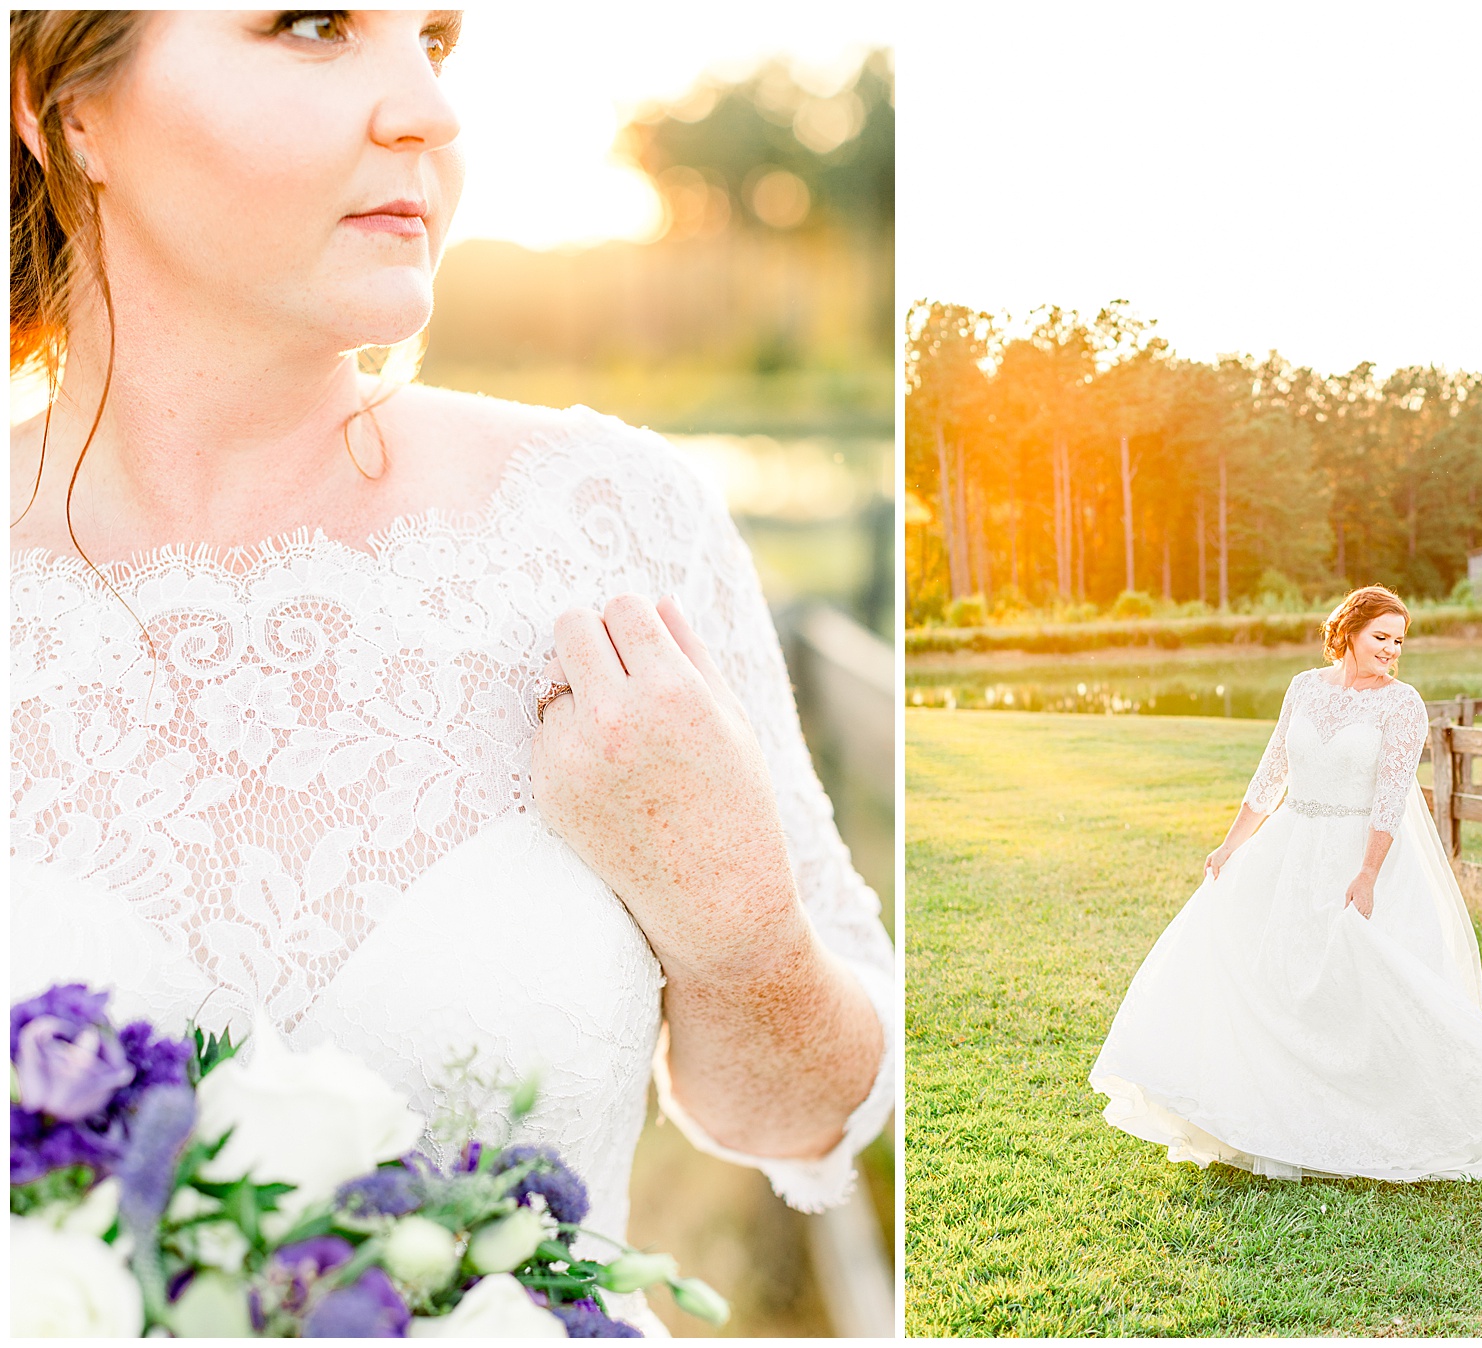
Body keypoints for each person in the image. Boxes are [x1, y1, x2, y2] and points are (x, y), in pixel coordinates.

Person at [8, 7, 891, 1303]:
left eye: (434, 41)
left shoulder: (608, 524)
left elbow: (807, 1119)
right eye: (315, 23)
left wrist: (740, 921)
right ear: (66, 108)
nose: (430, 109)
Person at [1090, 585, 1482, 1181]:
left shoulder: (1402, 704)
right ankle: (1272, 1107)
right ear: (1348, 631)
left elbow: (1390, 799)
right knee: (1267, 967)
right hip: (1291, 845)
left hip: (1357, 855)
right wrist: (1231, 844)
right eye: (1381, 636)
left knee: (1356, 978)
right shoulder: (1304, 687)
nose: (1391, 650)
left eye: (1399, 641)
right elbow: (1271, 773)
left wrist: (1368, 874)